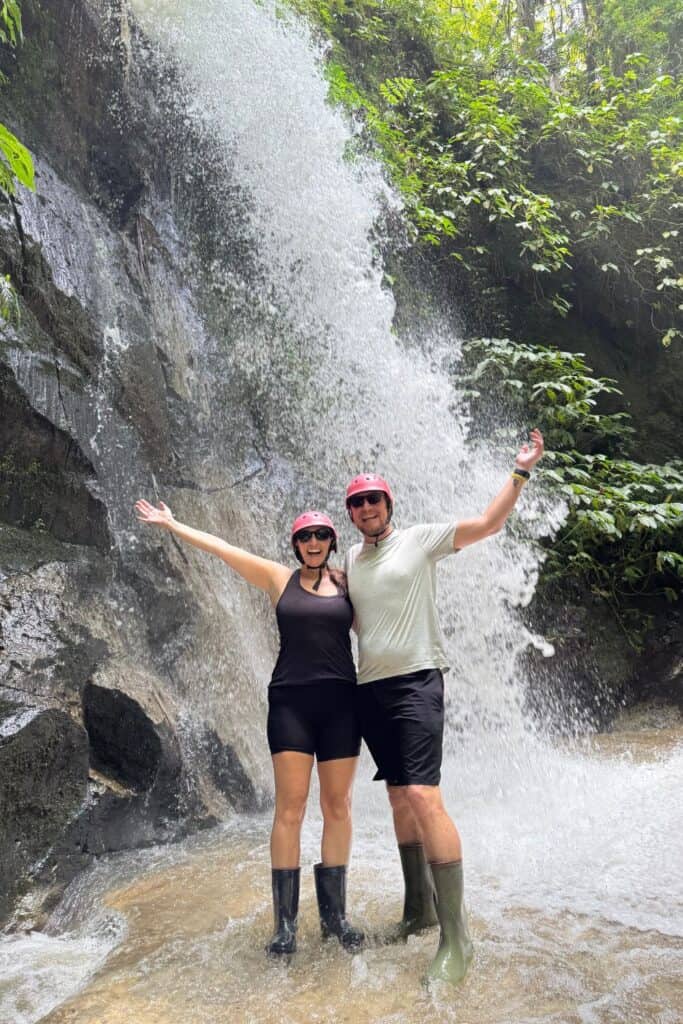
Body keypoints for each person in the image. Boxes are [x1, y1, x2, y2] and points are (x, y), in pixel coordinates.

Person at [343, 428, 545, 986]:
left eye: (373, 499)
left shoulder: (420, 539)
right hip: (371, 691)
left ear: (388, 505)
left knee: (423, 795)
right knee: (398, 801)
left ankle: (459, 938)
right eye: (356, 502)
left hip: (416, 683)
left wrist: (520, 470)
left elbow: (487, 524)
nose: (365, 508)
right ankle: (419, 909)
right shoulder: (351, 565)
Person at [134, 499, 364, 956]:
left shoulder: (349, 583)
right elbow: (223, 548)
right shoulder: (279, 578)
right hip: (291, 706)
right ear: (296, 545)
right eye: (305, 536)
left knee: (337, 805)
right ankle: (285, 925)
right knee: (290, 809)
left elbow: (384, 624)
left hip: (342, 706)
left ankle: (335, 918)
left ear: (332, 541)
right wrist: (174, 523)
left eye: (320, 535)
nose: (313, 542)